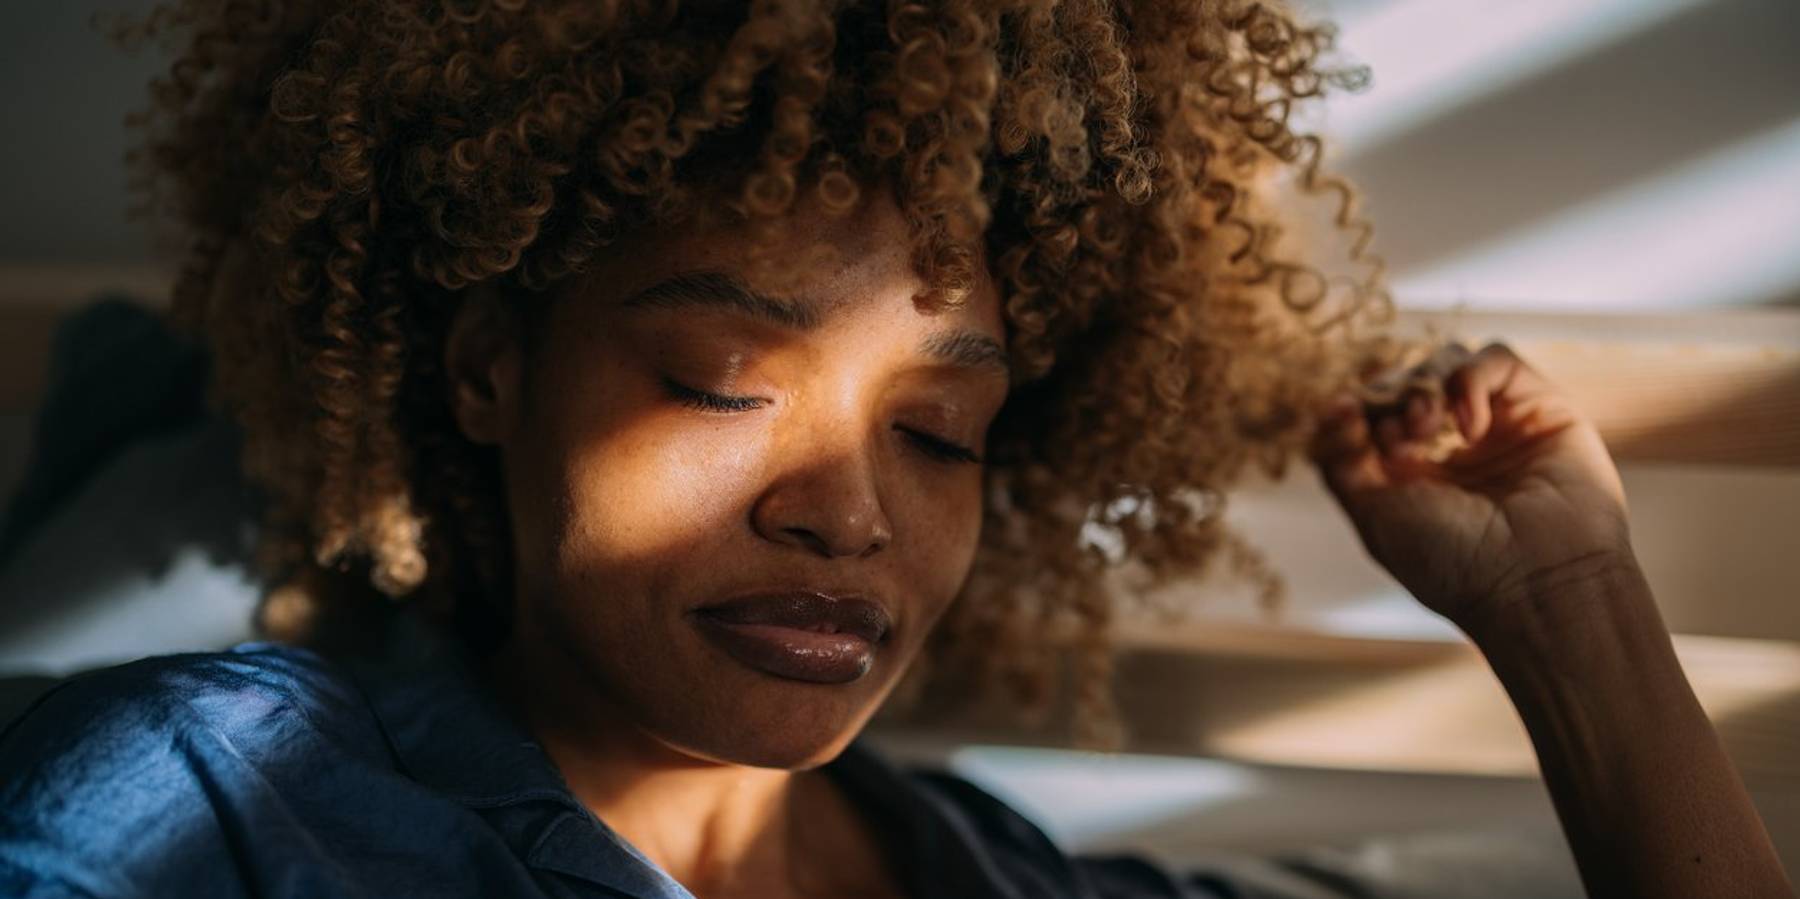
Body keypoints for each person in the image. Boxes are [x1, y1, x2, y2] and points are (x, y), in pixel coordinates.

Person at [0, 0, 1791, 897]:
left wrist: (1570, 611)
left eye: (941, 430)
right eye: (722, 376)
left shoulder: (1002, 874)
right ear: (486, 372)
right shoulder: (205, 807)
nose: (850, 510)